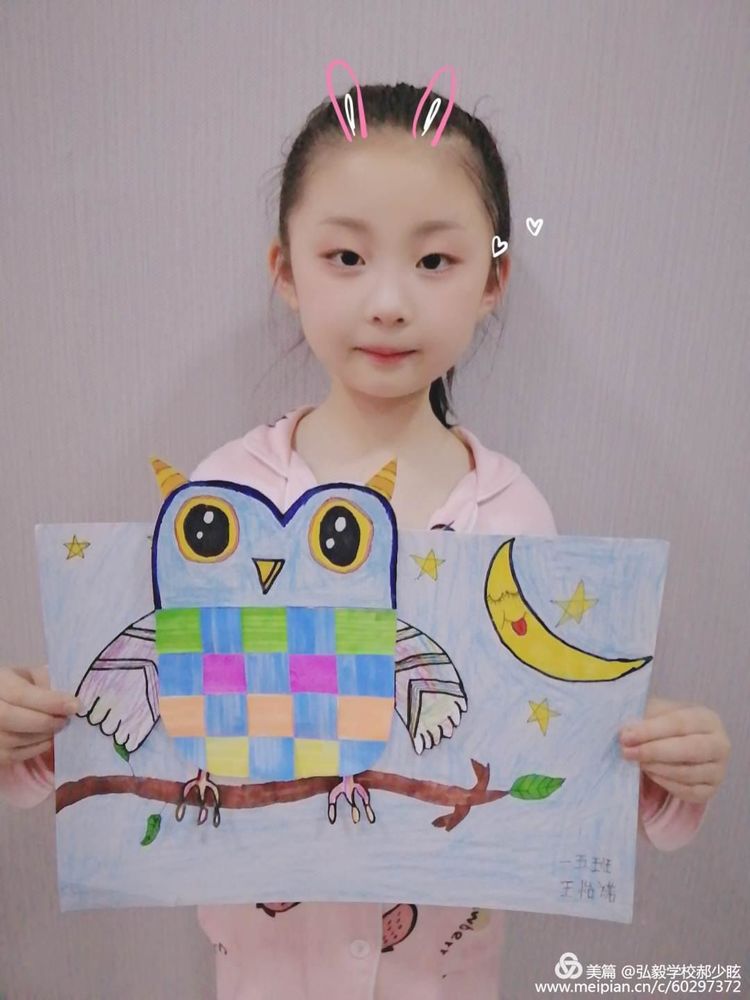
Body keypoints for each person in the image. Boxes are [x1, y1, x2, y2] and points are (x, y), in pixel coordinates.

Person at [0, 78, 730, 999]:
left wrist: (666, 775)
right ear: (286, 271)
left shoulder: (510, 519)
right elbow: (155, 706)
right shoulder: (221, 501)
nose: (388, 301)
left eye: (435, 261)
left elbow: (554, 762)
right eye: (346, 256)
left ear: (493, 278)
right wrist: (33, 738)